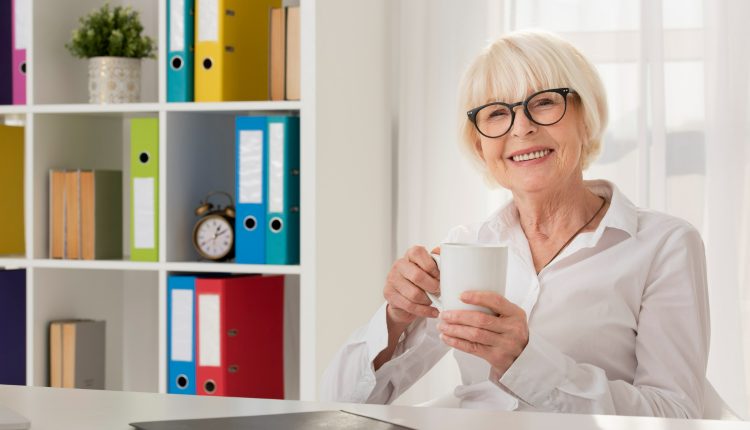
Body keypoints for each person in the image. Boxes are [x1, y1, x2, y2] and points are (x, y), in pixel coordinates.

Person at [320, 30, 709, 418]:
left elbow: (674, 415)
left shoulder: (664, 245)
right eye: (497, 113)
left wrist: (527, 360)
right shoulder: (465, 248)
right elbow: (338, 404)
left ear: (585, 119)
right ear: (480, 146)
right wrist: (394, 317)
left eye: (543, 103)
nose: (520, 128)